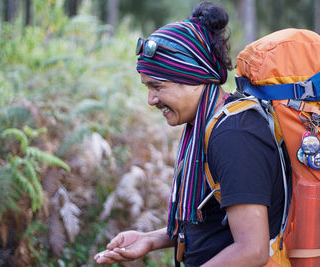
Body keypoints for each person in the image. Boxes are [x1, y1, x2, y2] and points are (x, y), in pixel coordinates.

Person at [94, 2, 285, 266]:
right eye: (147, 87)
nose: (151, 99)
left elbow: (252, 250)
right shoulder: (206, 126)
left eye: (157, 87)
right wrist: (149, 239)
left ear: (195, 78)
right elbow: (213, 223)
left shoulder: (235, 135)